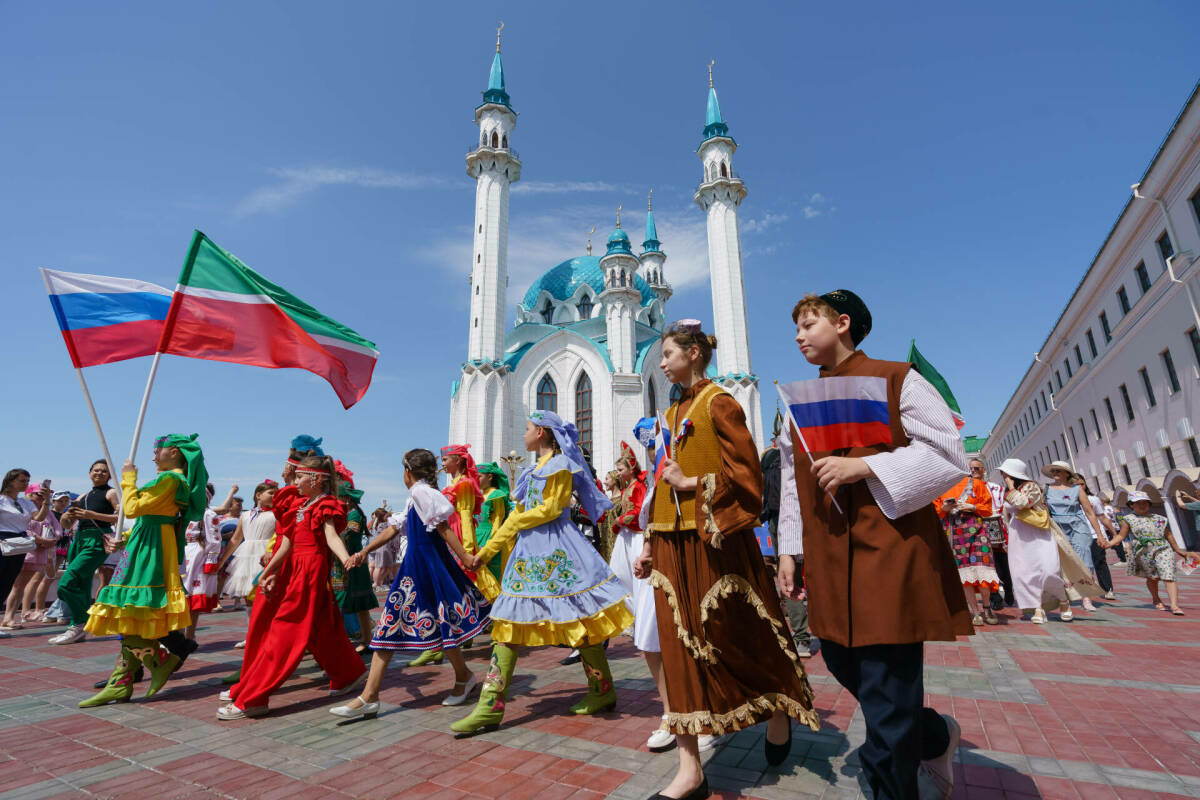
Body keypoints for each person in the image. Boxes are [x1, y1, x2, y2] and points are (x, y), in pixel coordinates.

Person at [777, 292, 971, 800]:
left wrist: (864, 465)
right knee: (844, 664)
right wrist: (789, 551)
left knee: (886, 689)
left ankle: (891, 783)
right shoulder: (798, 400)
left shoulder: (895, 377)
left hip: (888, 553)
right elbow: (793, 484)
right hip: (828, 556)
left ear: (843, 324)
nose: (798, 335)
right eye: (795, 327)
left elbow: (948, 454)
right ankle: (932, 735)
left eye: (808, 323)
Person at [639, 320, 819, 800]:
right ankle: (690, 768)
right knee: (676, 647)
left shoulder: (719, 402)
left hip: (716, 540)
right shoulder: (672, 411)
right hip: (671, 546)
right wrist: (649, 543)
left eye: (668, 353)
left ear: (694, 352)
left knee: (734, 634)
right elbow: (662, 479)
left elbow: (748, 481)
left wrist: (692, 485)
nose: (661, 363)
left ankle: (777, 704)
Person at [451, 410, 633, 737]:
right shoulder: (529, 470)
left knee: (579, 624)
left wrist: (518, 523)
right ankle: (490, 705)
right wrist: (486, 553)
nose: (524, 435)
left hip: (560, 550)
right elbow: (515, 516)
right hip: (528, 555)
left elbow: (553, 507)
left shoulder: (561, 466)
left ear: (543, 433)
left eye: (528, 429)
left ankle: (602, 690)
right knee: (508, 623)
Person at [330, 449, 489, 719]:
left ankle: (461, 677)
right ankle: (461, 677)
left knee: (396, 626)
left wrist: (464, 556)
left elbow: (442, 527)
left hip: (424, 568)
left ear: (407, 471)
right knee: (432, 624)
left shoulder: (420, 492)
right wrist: (364, 552)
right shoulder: (416, 495)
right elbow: (394, 528)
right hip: (420, 567)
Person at [217, 455, 366, 720]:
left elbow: (331, 537)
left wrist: (346, 560)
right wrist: (270, 571)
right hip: (297, 568)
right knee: (323, 629)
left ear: (315, 479)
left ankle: (253, 699)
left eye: (299, 477)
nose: (294, 481)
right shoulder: (301, 505)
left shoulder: (326, 505)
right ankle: (349, 675)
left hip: (311, 572)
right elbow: (287, 544)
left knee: (283, 633)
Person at [79, 434, 209, 707]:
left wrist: (128, 478)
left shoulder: (171, 480)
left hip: (151, 550)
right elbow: (145, 520)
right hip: (143, 544)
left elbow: (133, 507)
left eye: (156, 451)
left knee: (134, 608)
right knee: (128, 610)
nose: (153, 457)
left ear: (173, 452)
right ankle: (129, 676)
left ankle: (152, 665)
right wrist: (123, 539)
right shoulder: (168, 481)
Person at [608, 441, 676, 753]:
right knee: (648, 637)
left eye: (654, 442)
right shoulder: (650, 484)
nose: (652, 448)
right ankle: (671, 711)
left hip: (675, 557)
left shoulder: (653, 481)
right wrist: (647, 551)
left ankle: (695, 713)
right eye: (648, 443)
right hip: (649, 556)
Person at [51, 461, 120, 645]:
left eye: (104, 471)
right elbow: (66, 525)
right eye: (96, 470)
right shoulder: (83, 496)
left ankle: (79, 623)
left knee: (66, 584)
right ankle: (78, 626)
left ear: (109, 475)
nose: (99, 473)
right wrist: (67, 516)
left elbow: (119, 518)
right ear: (90, 473)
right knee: (81, 585)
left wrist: (92, 515)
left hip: (97, 540)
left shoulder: (111, 493)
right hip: (79, 539)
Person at [996, 459, 1069, 623]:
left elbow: (1022, 503)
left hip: (1038, 532)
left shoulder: (1031, 486)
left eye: (1004, 472)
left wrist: (1012, 487)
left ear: (1013, 473)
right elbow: (1005, 515)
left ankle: (1063, 601)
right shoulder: (1006, 491)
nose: (1002, 475)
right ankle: (1037, 607)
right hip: (1019, 535)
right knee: (1025, 572)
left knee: (1049, 569)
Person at [1103, 491, 1199, 615]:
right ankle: (1156, 599)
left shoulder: (1160, 519)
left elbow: (1168, 535)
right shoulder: (1129, 519)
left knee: (1169, 575)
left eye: (1145, 503)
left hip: (1163, 549)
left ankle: (1174, 605)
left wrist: (1179, 551)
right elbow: (1122, 535)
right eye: (1138, 503)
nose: (1142, 505)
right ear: (1131, 505)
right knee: (1153, 578)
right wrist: (1109, 544)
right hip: (1144, 551)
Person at [218, 480, 279, 649]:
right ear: (258, 495)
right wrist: (222, 561)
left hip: (265, 553)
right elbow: (236, 539)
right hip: (246, 556)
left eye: (276, 493)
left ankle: (270, 634)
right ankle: (253, 634)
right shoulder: (245, 515)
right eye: (271, 493)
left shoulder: (277, 514)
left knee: (267, 596)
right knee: (249, 598)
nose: (275, 496)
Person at [936, 465, 999, 626]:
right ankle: (975, 611)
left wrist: (973, 507)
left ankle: (987, 606)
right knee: (964, 574)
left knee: (983, 566)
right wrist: (944, 509)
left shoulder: (976, 484)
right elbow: (935, 511)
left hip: (976, 529)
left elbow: (987, 509)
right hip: (954, 531)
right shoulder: (940, 485)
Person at [1043, 462, 1105, 613]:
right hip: (1057, 527)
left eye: (1059, 470)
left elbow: (1090, 512)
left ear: (1067, 474)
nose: (1055, 473)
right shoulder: (1046, 489)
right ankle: (1065, 598)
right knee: (1061, 562)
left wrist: (1099, 534)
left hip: (1078, 526)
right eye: (1053, 471)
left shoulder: (1077, 489)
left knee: (1084, 560)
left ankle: (1086, 598)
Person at [331, 460, 378, 652]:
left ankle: (366, 640)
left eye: (339, 497)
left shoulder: (354, 516)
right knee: (339, 603)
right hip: (340, 563)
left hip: (354, 563)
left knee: (359, 605)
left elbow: (346, 536)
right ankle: (357, 638)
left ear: (347, 499)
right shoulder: (343, 514)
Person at [3, 483, 62, 625]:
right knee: (16, 585)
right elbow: (22, 529)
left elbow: (58, 528)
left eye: (44, 495)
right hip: (23, 551)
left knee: (22, 585)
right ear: (29, 494)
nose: (41, 498)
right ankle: (8, 617)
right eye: (38, 494)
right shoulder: (23, 508)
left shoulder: (46, 512)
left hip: (39, 554)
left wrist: (53, 539)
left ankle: (10, 617)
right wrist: (41, 540)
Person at [0, 471, 51, 635]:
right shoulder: (1, 500)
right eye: (22, 480)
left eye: (27, 481)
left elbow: (39, 518)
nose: (25, 484)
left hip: (19, 545)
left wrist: (47, 501)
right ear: (11, 481)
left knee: (7, 583)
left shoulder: (24, 502)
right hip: (2, 542)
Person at [1075, 475, 1117, 600]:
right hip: (1077, 536)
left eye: (1082, 484)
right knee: (1081, 565)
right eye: (1076, 484)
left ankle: (1107, 589)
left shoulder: (1093, 500)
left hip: (1094, 535)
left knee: (1099, 562)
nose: (1080, 487)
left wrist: (1114, 533)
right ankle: (1084, 591)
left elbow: (1102, 517)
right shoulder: (1068, 500)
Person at [982, 464, 1016, 609]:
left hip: (998, 525)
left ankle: (1008, 588)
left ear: (983, 471)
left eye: (977, 468)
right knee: (988, 562)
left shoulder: (997, 488)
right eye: (971, 469)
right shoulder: (967, 489)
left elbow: (1006, 509)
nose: (973, 472)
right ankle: (994, 595)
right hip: (979, 527)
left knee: (1002, 561)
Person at [474, 462, 514, 583]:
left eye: (479, 476)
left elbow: (497, 522)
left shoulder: (497, 495)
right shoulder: (478, 495)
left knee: (490, 578)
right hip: (476, 537)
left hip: (490, 538)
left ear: (490, 477)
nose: (476, 479)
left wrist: (489, 549)